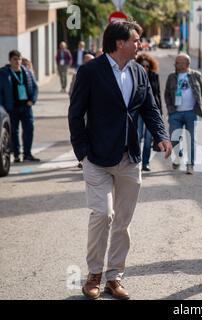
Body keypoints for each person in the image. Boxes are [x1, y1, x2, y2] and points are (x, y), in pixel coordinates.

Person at [68, 21, 172, 300]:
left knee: (123, 222)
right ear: (119, 43)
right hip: (97, 158)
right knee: (103, 214)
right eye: (136, 40)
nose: (140, 44)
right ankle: (93, 275)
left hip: (130, 157)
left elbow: (150, 108)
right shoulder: (90, 71)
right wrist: (82, 153)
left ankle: (114, 276)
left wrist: (161, 135)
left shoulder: (139, 71)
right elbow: (75, 113)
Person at [164, 53, 202, 174]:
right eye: (176, 62)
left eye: (178, 62)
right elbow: (167, 94)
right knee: (174, 139)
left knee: (192, 140)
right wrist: (170, 109)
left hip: (191, 113)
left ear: (186, 64)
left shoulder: (196, 75)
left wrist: (199, 105)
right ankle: (178, 156)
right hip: (175, 114)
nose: (175, 64)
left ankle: (190, 165)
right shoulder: (171, 77)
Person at [0, 50, 39, 162]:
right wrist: (3, 108)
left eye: (19, 59)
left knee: (29, 129)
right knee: (14, 131)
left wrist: (32, 100)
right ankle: (16, 154)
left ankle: (27, 154)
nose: (18, 61)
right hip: (12, 108)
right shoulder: (4, 74)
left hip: (26, 106)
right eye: (15, 59)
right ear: (10, 60)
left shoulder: (27, 72)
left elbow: (35, 87)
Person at [136, 52, 162, 172]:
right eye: (143, 65)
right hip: (139, 111)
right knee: (138, 136)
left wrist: (160, 112)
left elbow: (157, 94)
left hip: (151, 112)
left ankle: (145, 163)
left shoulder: (154, 76)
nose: (145, 68)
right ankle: (136, 161)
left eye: (147, 66)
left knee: (148, 139)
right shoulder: (135, 75)